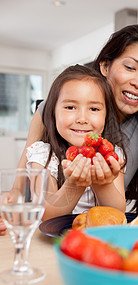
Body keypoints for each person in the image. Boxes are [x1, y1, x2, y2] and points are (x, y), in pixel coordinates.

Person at [1, 24, 138, 234]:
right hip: (39, 228)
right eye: (130, 67)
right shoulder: (50, 115)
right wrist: (10, 201)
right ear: (105, 66)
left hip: (97, 234)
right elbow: (20, 186)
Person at [26, 64, 127, 221]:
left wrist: (102, 183)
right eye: (70, 107)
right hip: (55, 241)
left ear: (106, 115)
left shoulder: (112, 154)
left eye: (94, 109)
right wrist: (74, 185)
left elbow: (117, 213)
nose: (82, 119)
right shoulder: (44, 154)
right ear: (53, 113)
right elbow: (44, 214)